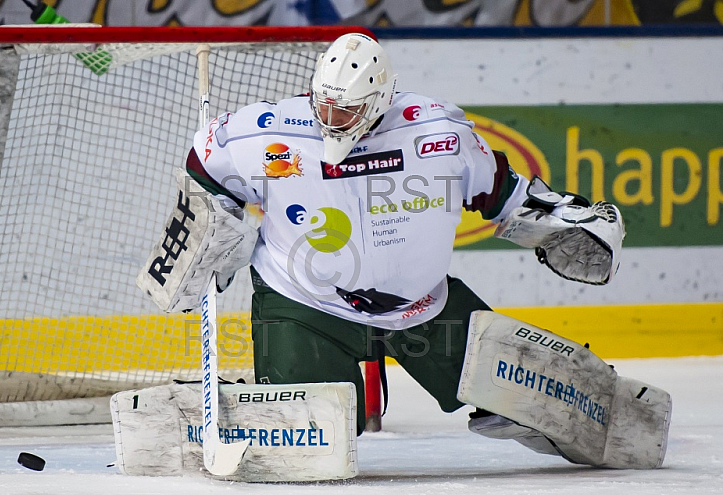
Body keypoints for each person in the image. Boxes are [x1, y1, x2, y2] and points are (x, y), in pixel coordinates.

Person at [144, 33, 627, 461]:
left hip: (424, 307)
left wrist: (560, 221)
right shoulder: (266, 133)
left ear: (379, 100)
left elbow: (503, 192)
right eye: (323, 104)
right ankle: (232, 410)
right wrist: (207, 229)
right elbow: (204, 170)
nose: (331, 119)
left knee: (537, 405)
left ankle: (597, 399)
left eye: (346, 110)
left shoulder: (437, 133)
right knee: (316, 436)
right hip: (304, 306)